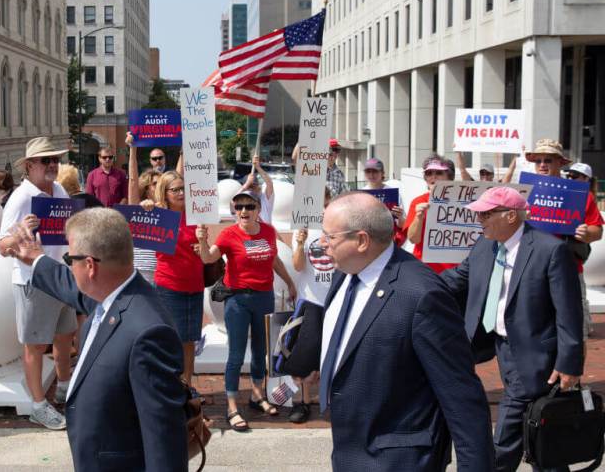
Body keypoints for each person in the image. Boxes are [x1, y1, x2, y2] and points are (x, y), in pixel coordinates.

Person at [319, 192, 494, 471]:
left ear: (362, 240)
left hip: (398, 459)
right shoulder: (345, 273)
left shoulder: (422, 295)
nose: (322, 244)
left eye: (330, 237)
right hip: (350, 449)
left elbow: (461, 395)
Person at [6, 208, 189, 472]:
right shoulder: (114, 293)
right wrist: (36, 260)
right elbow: (73, 289)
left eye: (70, 258)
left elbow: (165, 442)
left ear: (90, 266)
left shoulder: (148, 333)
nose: (69, 265)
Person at [441, 186, 583, 471]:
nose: (479, 220)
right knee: (537, 423)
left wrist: (570, 363)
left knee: (511, 420)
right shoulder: (484, 246)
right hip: (499, 344)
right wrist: (411, 282)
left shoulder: (550, 250)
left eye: (485, 214)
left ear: (509, 217)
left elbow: (569, 312)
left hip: (536, 352)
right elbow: (455, 279)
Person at [196, 190, 297, 432]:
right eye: (238, 207)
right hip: (238, 301)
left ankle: (257, 395)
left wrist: (290, 283)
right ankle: (231, 406)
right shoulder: (229, 234)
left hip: (264, 297)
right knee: (236, 355)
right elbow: (209, 259)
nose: (243, 211)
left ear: (258, 210)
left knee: (261, 350)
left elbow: (275, 261)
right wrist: (201, 239)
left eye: (249, 207)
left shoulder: (269, 232)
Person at [0, 137, 77, 430]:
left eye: (55, 159)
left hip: (59, 275)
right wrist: (20, 234)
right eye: (46, 160)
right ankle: (38, 405)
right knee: (34, 345)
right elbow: (2, 245)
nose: (53, 165)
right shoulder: (21, 197)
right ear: (29, 166)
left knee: (65, 335)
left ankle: (65, 387)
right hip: (33, 281)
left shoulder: (58, 189)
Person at [525, 139, 603, 339]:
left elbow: (597, 231)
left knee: (573, 330)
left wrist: (587, 233)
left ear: (560, 163)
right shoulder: (524, 192)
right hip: (531, 267)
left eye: (548, 160)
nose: (542, 164)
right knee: (534, 326)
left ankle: (569, 368)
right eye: (538, 160)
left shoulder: (579, 194)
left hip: (568, 267)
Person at [139, 171, 203, 387]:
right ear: (164, 193)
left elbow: (204, 250)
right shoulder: (158, 214)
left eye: (183, 188)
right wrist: (145, 208)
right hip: (169, 286)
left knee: (189, 340)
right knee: (171, 339)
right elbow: (135, 220)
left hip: (194, 285)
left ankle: (186, 386)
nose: (181, 193)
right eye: (175, 189)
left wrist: (201, 245)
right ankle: (170, 386)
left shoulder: (195, 214)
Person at [288, 186, 333, 424]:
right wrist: (299, 243)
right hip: (312, 299)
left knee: (333, 351)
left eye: (325, 202)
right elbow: (297, 266)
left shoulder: (338, 224)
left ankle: (329, 398)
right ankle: (304, 402)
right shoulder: (302, 228)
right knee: (306, 352)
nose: (322, 207)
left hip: (335, 298)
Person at [403, 154, 457, 273]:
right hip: (426, 270)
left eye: (439, 173)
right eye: (429, 173)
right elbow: (413, 239)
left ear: (450, 177)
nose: (433, 177)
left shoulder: (461, 202)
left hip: (457, 270)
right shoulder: (418, 202)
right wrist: (419, 217)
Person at [126, 132, 161, 284]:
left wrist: (183, 152)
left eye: (162, 184)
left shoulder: (169, 207)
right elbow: (133, 181)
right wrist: (133, 149)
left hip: (163, 272)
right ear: (146, 188)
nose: (159, 187)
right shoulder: (138, 207)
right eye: (155, 184)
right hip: (140, 271)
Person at [361, 157, 404, 229]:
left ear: (382, 173)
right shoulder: (360, 194)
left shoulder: (392, 193)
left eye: (375, 171)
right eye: (368, 171)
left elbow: (401, 225)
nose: (371, 175)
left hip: (387, 237)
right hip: (367, 236)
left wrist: (400, 217)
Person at [237, 155, 275, 224]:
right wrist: (246, 184)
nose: (251, 189)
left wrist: (258, 167)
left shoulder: (265, 199)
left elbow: (269, 183)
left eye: (253, 186)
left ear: (258, 186)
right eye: (249, 187)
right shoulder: (242, 206)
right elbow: (233, 201)